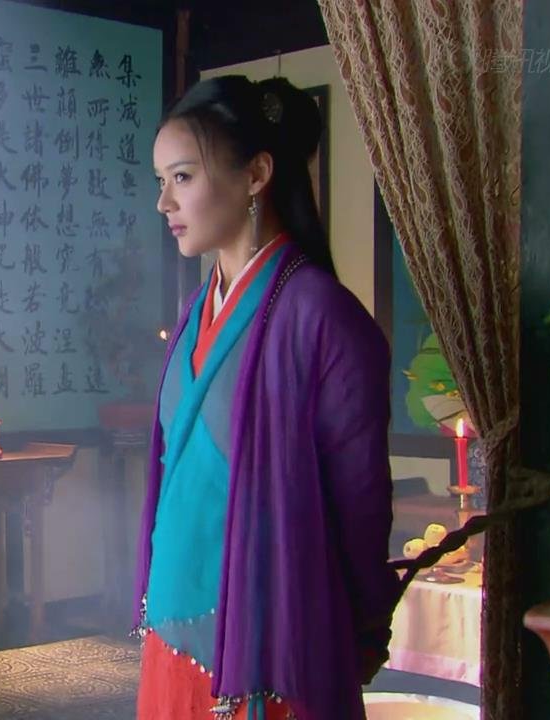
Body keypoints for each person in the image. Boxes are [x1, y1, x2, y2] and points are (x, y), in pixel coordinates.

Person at [135, 75, 401, 720]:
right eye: (162, 182)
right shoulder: (196, 311)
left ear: (256, 174)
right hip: (171, 631)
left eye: (182, 177)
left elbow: (360, 501)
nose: (164, 202)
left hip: (273, 636)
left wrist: (365, 623)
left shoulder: (322, 316)